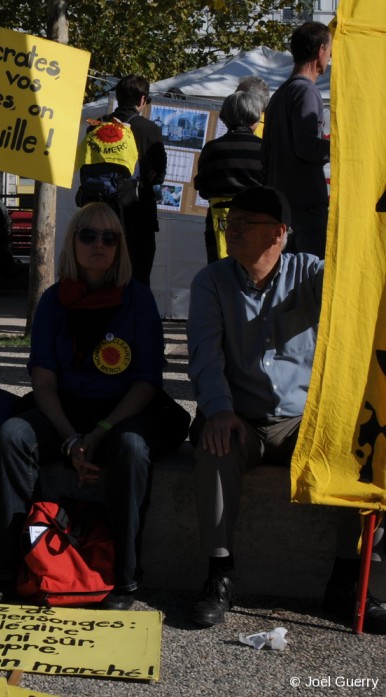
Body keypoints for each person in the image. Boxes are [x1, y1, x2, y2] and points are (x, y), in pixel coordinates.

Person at [186, 185, 384, 632]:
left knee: (365, 453)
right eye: (229, 222)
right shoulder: (211, 281)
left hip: (303, 423)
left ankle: (349, 581)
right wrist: (218, 409)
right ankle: (219, 575)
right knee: (214, 446)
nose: (231, 230)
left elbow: (356, 292)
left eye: (243, 223)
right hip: (243, 419)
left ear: (278, 233)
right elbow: (205, 356)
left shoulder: (311, 273)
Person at [0, 202, 189, 609]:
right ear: (73, 241)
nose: (99, 244)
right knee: (12, 435)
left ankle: (125, 577)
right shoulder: (53, 301)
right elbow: (43, 382)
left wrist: (99, 433)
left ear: (119, 247)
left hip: (125, 411)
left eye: (109, 238)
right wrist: (71, 440)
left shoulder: (138, 299)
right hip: (66, 411)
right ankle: (17, 564)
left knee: (131, 448)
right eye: (89, 235)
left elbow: (147, 382)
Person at [262, 21, 331, 259]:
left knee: (287, 273)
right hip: (305, 203)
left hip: (282, 202)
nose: (330, 57)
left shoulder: (280, 94)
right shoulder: (305, 91)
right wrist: (344, 147)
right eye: (330, 50)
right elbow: (306, 147)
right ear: (321, 50)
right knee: (313, 272)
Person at [104, 75, 167, 286]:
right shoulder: (150, 129)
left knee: (105, 277)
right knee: (138, 278)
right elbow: (156, 174)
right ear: (142, 99)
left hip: (101, 212)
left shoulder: (98, 125)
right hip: (138, 214)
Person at [194, 90, 265, 263]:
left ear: (225, 116)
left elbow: (202, 189)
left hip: (218, 223)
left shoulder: (212, 149)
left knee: (220, 274)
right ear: (254, 117)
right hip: (258, 223)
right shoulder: (265, 149)